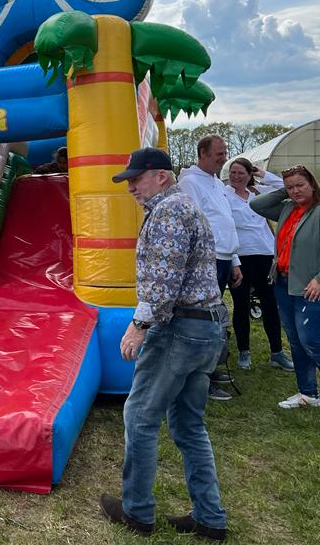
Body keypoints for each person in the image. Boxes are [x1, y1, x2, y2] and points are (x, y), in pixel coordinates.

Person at [100, 148, 228, 541]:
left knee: (139, 417)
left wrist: (138, 326)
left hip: (180, 329)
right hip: (205, 328)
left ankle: (137, 511)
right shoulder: (181, 206)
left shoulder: (170, 211)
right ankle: (210, 518)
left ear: (162, 176)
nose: (132, 186)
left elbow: (164, 281)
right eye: (129, 180)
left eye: (137, 178)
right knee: (188, 424)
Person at [250, 165, 320, 423]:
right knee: (298, 342)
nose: (295, 191)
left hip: (315, 290)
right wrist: (282, 190)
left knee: (315, 343)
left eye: (300, 185)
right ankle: (308, 393)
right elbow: (257, 205)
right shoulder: (288, 208)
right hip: (287, 285)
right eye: (290, 187)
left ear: (312, 184)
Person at [178, 134, 241, 401]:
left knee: (217, 318)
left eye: (225, 152)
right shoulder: (190, 182)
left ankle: (212, 368)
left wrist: (235, 260)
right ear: (202, 153)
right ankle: (202, 376)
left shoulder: (215, 182)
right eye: (219, 153)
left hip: (224, 259)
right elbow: (193, 226)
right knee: (204, 319)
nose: (224, 157)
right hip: (208, 261)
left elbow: (225, 221)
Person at [223, 158, 294, 372]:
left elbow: (286, 188)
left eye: (241, 172)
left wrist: (263, 174)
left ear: (249, 174)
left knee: (270, 304)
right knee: (241, 304)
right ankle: (244, 351)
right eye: (233, 172)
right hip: (239, 256)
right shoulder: (224, 193)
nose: (236, 176)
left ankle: (277, 352)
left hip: (264, 254)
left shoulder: (258, 192)